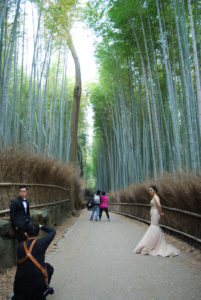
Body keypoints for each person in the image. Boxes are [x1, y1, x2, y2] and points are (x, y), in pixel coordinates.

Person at [12, 221, 56, 300]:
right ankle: (45, 289)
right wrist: (41, 226)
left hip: (20, 287)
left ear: (25, 234)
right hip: (37, 285)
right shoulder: (41, 243)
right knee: (49, 268)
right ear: (39, 232)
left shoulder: (19, 247)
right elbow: (53, 232)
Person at [134, 185, 180, 257]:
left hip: (156, 214)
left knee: (154, 227)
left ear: (155, 191)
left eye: (151, 190)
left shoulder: (156, 197)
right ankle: (153, 244)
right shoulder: (154, 197)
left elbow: (159, 205)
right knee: (154, 228)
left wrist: (160, 212)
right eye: (149, 190)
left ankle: (151, 245)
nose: (150, 191)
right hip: (153, 214)